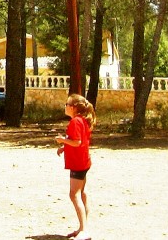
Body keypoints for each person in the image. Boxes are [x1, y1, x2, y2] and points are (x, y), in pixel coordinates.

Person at [56, 94, 95, 239]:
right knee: (82, 193)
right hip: (83, 161)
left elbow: (77, 142)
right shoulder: (82, 121)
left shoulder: (75, 122)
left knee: (74, 194)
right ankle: (82, 227)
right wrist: (64, 146)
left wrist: (62, 141)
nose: (65, 106)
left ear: (73, 107)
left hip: (78, 163)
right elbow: (78, 140)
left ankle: (84, 230)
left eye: (67, 104)